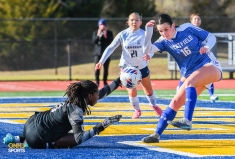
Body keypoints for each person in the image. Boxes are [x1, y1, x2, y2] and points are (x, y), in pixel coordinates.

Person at [141, 14, 222, 143]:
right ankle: (156, 135)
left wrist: (207, 47)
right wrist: (148, 32)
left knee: (189, 82)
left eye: (166, 29)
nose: (164, 33)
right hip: (193, 74)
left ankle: (187, 121)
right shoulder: (163, 41)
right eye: (161, 31)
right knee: (175, 102)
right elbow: (147, 49)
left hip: (210, 66)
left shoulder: (187, 28)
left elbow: (211, 37)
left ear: (173, 25)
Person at [3, 78, 122, 149]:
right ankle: (40, 143)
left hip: (31, 123)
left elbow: (102, 92)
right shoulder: (76, 110)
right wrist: (102, 126)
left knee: (53, 125)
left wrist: (118, 81)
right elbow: (79, 138)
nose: (98, 96)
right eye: (96, 94)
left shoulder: (77, 98)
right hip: (36, 137)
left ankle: (18, 139)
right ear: (89, 96)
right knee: (75, 140)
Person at [95, 12, 163, 119]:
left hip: (141, 66)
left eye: (136, 20)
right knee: (132, 91)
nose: (134, 22)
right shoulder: (123, 34)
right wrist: (101, 61)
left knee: (148, 90)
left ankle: (154, 105)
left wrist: (149, 56)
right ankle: (137, 110)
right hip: (127, 68)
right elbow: (111, 47)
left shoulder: (144, 34)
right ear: (128, 22)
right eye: (131, 20)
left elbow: (151, 48)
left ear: (141, 22)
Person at [176, 13, 219, 103]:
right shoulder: (187, 31)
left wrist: (206, 47)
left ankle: (211, 95)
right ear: (190, 21)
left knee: (209, 74)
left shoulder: (202, 31)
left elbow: (210, 39)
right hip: (191, 58)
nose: (197, 20)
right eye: (195, 19)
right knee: (186, 77)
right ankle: (179, 91)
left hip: (201, 56)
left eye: (198, 19)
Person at [92, 19, 114, 87]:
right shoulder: (95, 32)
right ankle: (97, 82)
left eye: (103, 25)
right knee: (97, 69)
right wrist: (98, 34)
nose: (102, 26)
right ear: (98, 25)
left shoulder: (109, 33)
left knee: (106, 69)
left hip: (106, 54)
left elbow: (110, 42)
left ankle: (105, 82)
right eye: (101, 25)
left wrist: (105, 35)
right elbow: (94, 41)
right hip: (97, 54)